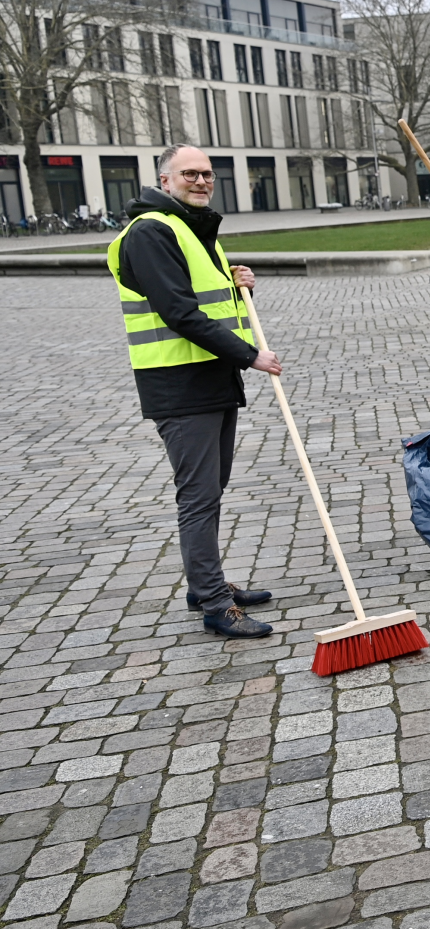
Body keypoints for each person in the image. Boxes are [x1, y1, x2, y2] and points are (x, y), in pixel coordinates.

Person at [108, 144, 280, 639]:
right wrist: (251, 355)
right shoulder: (151, 232)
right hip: (180, 384)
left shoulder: (191, 228)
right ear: (165, 181)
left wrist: (235, 281)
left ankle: (205, 583)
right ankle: (213, 603)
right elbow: (179, 312)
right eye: (190, 174)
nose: (201, 181)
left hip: (209, 378)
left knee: (212, 487)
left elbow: (201, 294)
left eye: (207, 173)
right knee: (199, 496)